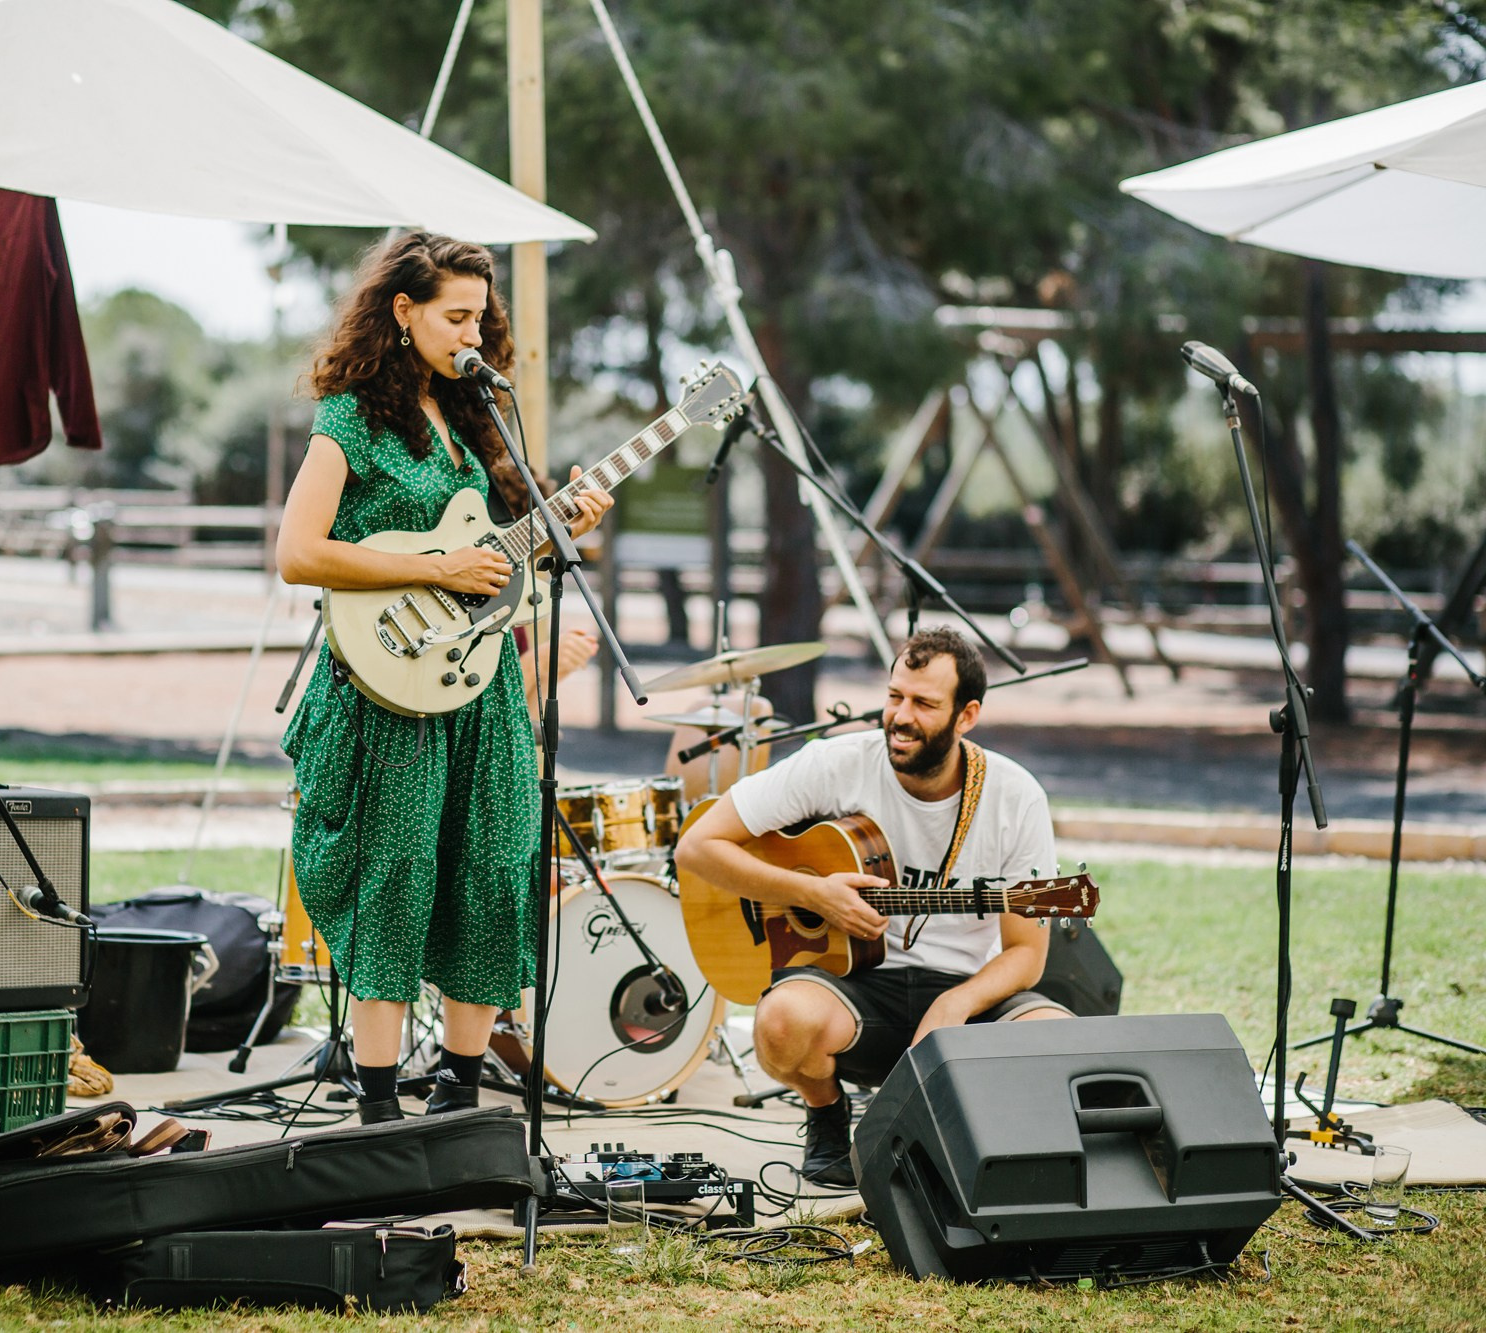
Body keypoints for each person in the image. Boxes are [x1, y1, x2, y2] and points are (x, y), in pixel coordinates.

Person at [276, 231, 613, 1125]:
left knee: (496, 867)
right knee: (396, 871)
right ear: (402, 310)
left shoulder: (474, 416)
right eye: (453, 315)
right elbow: (298, 552)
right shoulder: (349, 419)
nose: (471, 332)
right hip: (388, 693)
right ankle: (379, 1105)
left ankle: (462, 1093)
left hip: (482, 681)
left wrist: (565, 523)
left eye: (480, 315)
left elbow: (500, 562)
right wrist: (435, 571)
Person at [673, 627, 1069, 1187]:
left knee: (1058, 1041)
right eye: (894, 696)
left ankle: (988, 1146)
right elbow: (697, 846)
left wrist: (954, 1006)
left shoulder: (1013, 795)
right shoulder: (837, 764)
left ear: (967, 715)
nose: (901, 717)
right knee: (782, 1021)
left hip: (964, 988)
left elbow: (1027, 955)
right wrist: (810, 894)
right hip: (854, 986)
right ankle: (827, 1114)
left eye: (925, 704)